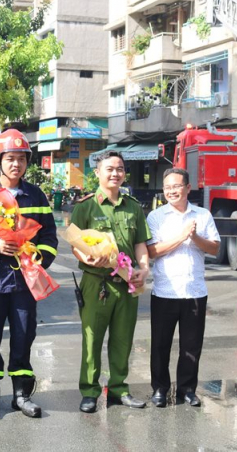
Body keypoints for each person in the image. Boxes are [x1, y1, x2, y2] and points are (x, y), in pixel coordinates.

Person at [0, 129, 58, 421]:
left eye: (21, 159)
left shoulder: (36, 195)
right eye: (10, 158)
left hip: (25, 281)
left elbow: (49, 236)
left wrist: (38, 258)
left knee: (23, 336)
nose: (16, 164)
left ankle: (22, 395)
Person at [69, 151, 149, 414]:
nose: (116, 173)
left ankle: (118, 389)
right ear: (98, 173)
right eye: (110, 169)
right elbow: (75, 243)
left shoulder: (134, 207)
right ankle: (89, 391)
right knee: (91, 339)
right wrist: (87, 259)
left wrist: (144, 268)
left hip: (127, 283)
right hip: (95, 282)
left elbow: (140, 243)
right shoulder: (86, 206)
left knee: (123, 338)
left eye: (120, 169)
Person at [146, 168, 220, 408]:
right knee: (160, 345)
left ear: (188, 188)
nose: (171, 191)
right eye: (167, 187)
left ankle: (187, 390)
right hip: (164, 292)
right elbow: (151, 251)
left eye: (176, 186)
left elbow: (215, 249)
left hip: (194, 292)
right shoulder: (156, 217)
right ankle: (159, 389)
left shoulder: (203, 215)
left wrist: (195, 237)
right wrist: (180, 237)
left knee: (191, 346)